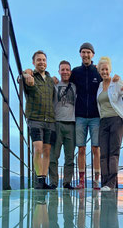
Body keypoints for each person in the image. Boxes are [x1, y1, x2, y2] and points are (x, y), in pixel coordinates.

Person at [96, 57, 123, 191]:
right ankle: (104, 183)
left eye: (106, 69)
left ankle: (111, 184)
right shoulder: (100, 86)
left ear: (110, 70)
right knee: (103, 153)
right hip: (103, 122)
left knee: (113, 152)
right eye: (102, 69)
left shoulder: (116, 82)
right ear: (99, 71)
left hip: (116, 120)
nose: (104, 71)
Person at [69, 42, 102, 189]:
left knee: (96, 148)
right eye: (83, 52)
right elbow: (64, 80)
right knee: (81, 148)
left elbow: (107, 82)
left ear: (93, 55)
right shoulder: (76, 72)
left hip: (96, 116)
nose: (86, 55)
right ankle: (82, 181)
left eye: (88, 52)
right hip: (80, 115)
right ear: (80, 54)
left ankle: (96, 181)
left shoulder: (98, 71)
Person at [22, 50, 55, 189]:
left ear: (46, 62)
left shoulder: (50, 80)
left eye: (43, 60)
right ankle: (38, 179)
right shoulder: (30, 75)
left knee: (47, 150)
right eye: (38, 60)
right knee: (38, 148)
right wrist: (25, 74)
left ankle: (43, 179)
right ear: (33, 62)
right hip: (35, 117)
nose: (41, 62)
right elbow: (20, 78)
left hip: (50, 119)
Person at [49, 60, 76, 189]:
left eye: (67, 70)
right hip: (57, 123)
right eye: (63, 69)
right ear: (59, 71)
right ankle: (53, 182)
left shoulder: (75, 86)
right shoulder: (53, 84)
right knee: (54, 155)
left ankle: (67, 183)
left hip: (71, 124)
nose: (65, 72)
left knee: (70, 157)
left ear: (70, 72)